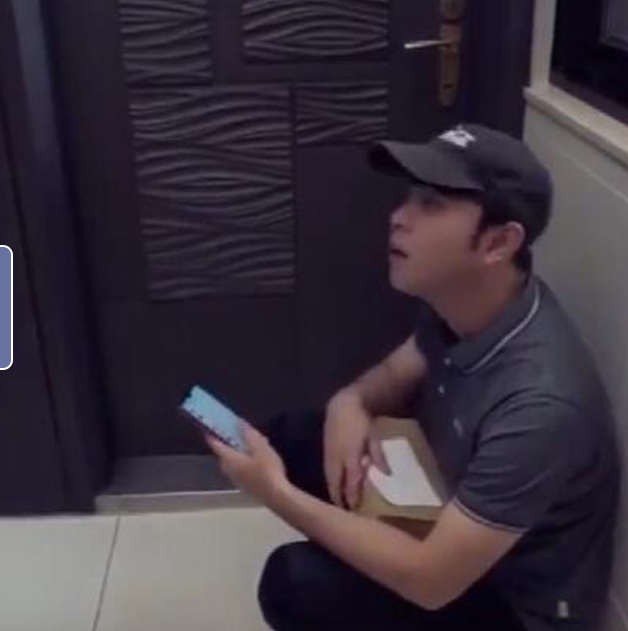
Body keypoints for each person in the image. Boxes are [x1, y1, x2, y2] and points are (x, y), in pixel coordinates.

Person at [206, 124, 620, 631]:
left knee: (295, 583)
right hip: (451, 512)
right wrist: (349, 403)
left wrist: (274, 491)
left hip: (511, 605)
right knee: (296, 438)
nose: (398, 217)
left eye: (431, 204)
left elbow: (431, 582)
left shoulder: (540, 406)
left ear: (498, 242)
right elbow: (391, 375)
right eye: (408, 197)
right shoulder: (466, 302)